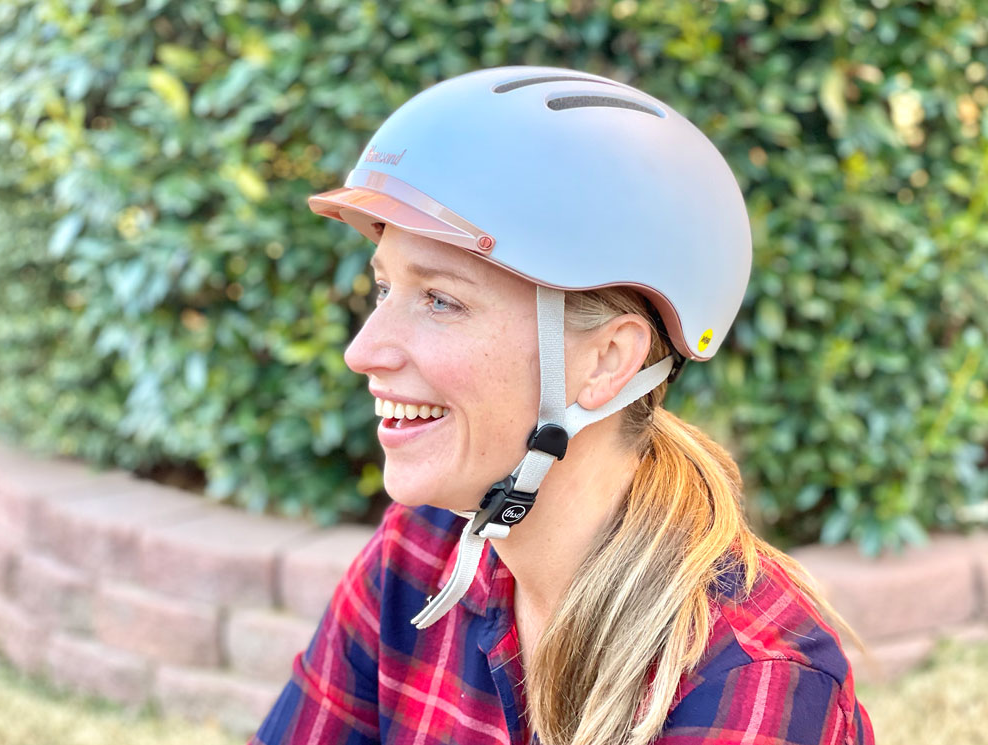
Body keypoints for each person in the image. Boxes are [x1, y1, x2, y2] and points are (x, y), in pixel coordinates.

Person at [250, 66, 874, 745]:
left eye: (440, 299)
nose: (363, 350)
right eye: (384, 289)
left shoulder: (751, 680)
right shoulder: (418, 556)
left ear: (607, 361)